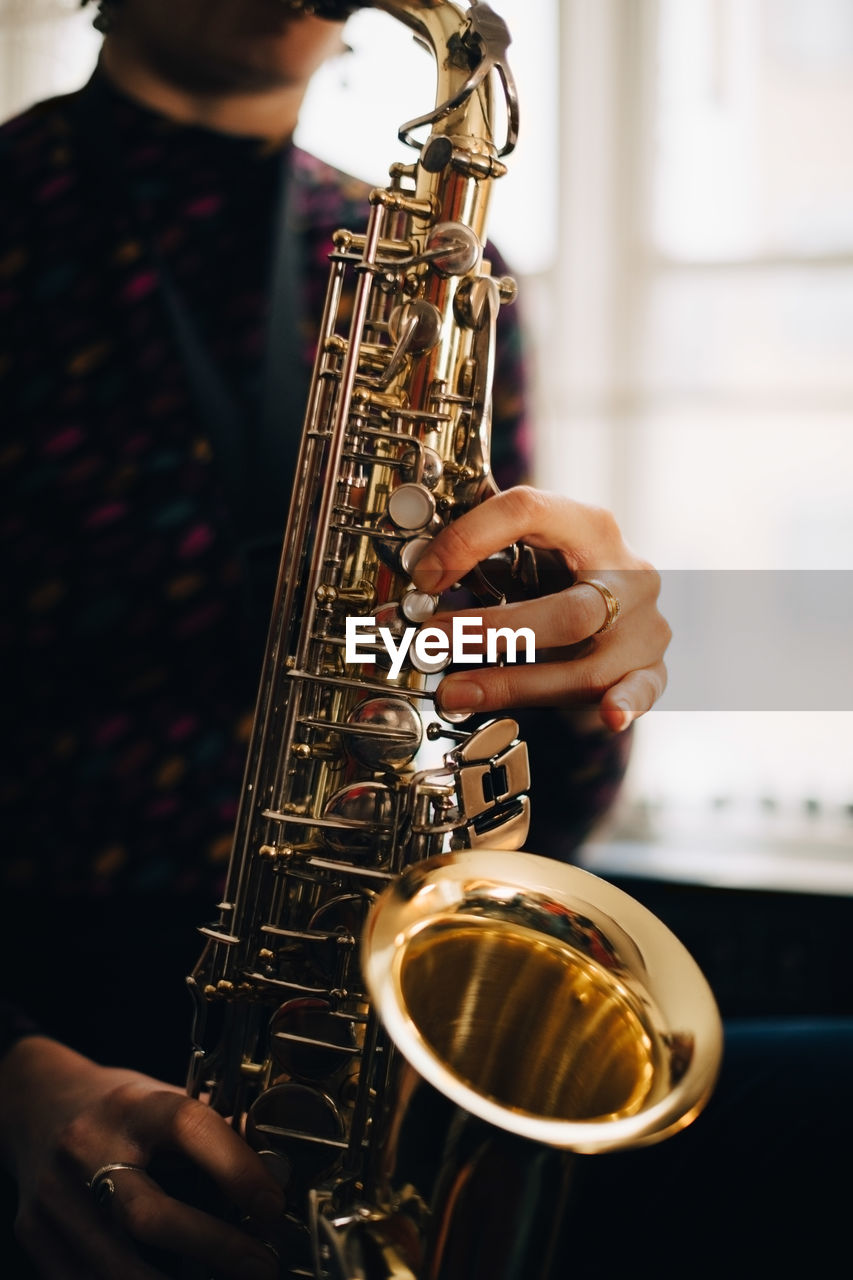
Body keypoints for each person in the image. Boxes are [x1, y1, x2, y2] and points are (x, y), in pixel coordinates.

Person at [0, 3, 844, 1279]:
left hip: (357, 1005)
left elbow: (482, 746)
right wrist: (12, 1086)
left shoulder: (440, 268)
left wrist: (576, 671)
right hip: (56, 1019)